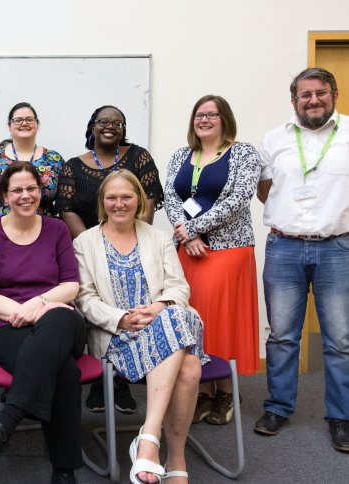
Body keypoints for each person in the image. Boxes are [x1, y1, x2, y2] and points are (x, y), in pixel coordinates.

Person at [73, 170, 208, 484]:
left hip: (165, 322)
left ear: (139, 201)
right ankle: (172, 458)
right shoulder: (84, 242)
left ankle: (150, 439)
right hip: (118, 335)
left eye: (127, 197)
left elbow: (179, 288)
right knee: (189, 367)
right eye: (112, 198)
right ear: (102, 203)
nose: (119, 203)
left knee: (174, 317)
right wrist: (121, 318)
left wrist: (158, 307)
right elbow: (85, 298)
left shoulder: (158, 238)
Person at [0, 162, 86, 484]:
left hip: (57, 319)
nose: (25, 195)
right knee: (65, 371)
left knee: (59, 316)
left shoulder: (57, 228)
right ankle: (64, 471)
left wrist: (38, 305)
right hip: (3, 325)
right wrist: (22, 312)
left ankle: (5, 423)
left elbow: (71, 285)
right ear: (4, 195)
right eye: (17, 190)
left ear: (41, 192)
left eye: (31, 188)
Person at [255, 67, 349, 453]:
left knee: (340, 340)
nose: (313, 100)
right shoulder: (273, 139)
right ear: (294, 100)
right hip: (285, 247)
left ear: (334, 95)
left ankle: (341, 418)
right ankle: (278, 408)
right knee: (282, 337)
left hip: (337, 249)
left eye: (321, 93)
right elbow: (264, 190)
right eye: (305, 95)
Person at [56, 104, 164, 415]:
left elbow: (149, 199)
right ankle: (100, 380)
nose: (110, 126)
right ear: (91, 127)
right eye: (103, 121)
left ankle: (122, 382)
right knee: (94, 303)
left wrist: (127, 234)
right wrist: (95, 243)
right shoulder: (74, 166)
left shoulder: (138, 156)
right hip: (87, 247)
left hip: (131, 242)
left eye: (117, 122)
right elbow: (66, 207)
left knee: (128, 301)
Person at [164, 95, 261, 426]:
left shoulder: (243, 152)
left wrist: (192, 229)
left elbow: (239, 198)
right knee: (194, 318)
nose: (204, 120)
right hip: (188, 251)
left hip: (227, 250)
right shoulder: (181, 155)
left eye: (212, 115)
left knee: (220, 320)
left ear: (225, 119)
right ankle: (202, 391)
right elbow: (171, 197)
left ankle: (226, 392)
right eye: (199, 115)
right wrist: (187, 237)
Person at [0, 102, 65, 218]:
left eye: (29, 119)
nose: (24, 123)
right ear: (9, 126)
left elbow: (63, 203)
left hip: (44, 228)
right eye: (18, 120)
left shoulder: (54, 159)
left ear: (37, 124)